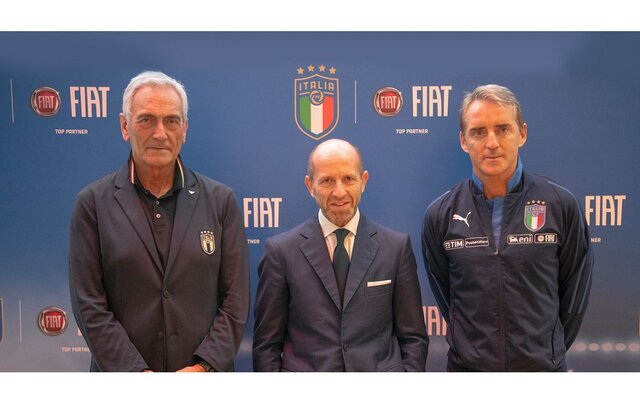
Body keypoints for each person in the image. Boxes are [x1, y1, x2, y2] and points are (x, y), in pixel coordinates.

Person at [69, 71, 250, 372]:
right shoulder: (92, 204)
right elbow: (89, 305)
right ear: (124, 126)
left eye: (171, 121)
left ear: (184, 130)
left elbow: (236, 300)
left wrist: (203, 367)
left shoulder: (221, 201)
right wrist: (136, 374)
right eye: (146, 120)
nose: (160, 133)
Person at [422, 84, 593, 371]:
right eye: (478, 132)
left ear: (522, 134)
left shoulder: (560, 204)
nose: (491, 143)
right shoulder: (440, 214)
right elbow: (447, 299)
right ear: (463, 141)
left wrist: (544, 352)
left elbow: (574, 297)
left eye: (503, 129)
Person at [253, 138, 428, 371]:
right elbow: (266, 346)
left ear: (363, 181)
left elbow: (413, 338)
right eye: (327, 181)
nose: (339, 192)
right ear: (310, 186)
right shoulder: (280, 253)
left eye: (348, 179)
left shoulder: (396, 248)